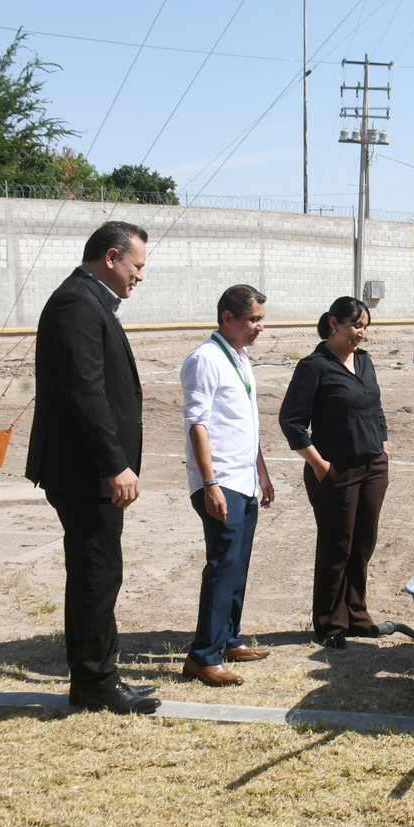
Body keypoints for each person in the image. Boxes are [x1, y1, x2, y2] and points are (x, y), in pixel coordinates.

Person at [24, 221, 160, 714]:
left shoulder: (87, 299)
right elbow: (87, 392)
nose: (140, 276)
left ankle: (91, 679)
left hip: (87, 471)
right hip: (86, 472)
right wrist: (114, 465)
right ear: (111, 257)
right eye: (137, 265)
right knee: (97, 574)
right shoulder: (77, 303)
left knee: (92, 573)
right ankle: (98, 682)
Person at [278, 296, 390, 648]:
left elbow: (376, 408)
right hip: (336, 471)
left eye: (365, 327)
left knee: (362, 545)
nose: (361, 334)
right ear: (334, 323)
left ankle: (356, 615)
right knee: (336, 546)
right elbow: (291, 421)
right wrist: (320, 465)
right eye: (356, 326)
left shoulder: (365, 361)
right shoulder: (314, 366)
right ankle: (330, 624)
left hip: (373, 467)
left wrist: (383, 447)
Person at [180, 285, 276, 686]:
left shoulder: (240, 357)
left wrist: (262, 471)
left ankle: (228, 639)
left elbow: (245, 424)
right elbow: (197, 424)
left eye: (261, 320)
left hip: (245, 479)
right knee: (222, 566)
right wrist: (210, 483)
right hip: (221, 482)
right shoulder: (205, 359)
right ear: (227, 319)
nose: (259, 328)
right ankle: (204, 656)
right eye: (253, 319)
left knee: (238, 564)